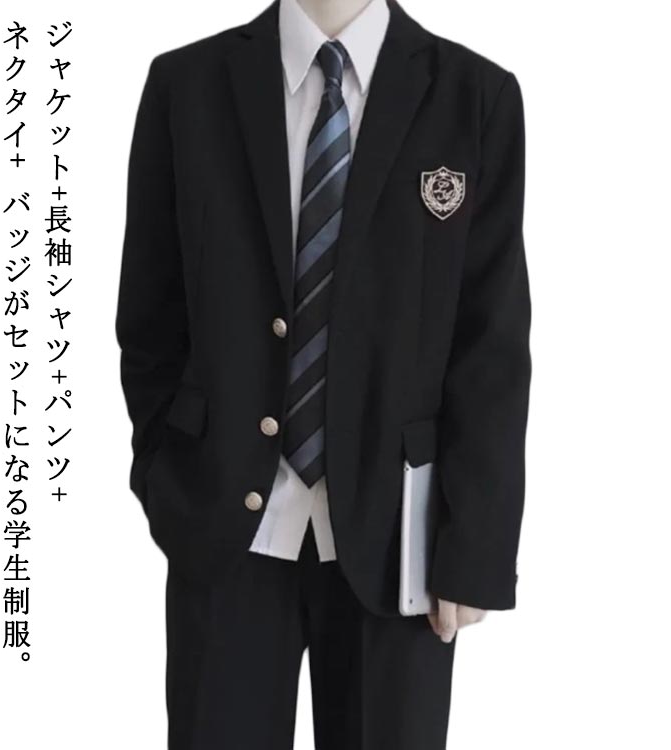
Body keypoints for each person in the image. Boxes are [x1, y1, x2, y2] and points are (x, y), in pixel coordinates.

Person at [115, 0, 531, 747]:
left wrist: (473, 547)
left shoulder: (474, 97)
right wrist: (166, 475)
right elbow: (150, 317)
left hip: (400, 541)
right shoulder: (188, 86)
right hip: (226, 527)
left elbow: (490, 344)